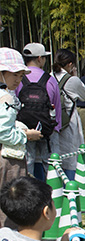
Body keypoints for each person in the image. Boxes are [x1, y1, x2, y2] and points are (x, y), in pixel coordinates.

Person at [0, 48, 42, 229]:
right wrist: (26, 135)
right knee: (10, 204)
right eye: (15, 75)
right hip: (7, 159)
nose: (18, 80)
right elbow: (3, 132)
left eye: (20, 75)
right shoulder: (6, 98)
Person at [16, 43, 62, 181]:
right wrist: (56, 127)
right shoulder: (50, 80)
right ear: (40, 58)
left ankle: (26, 195)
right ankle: (53, 196)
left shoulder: (18, 79)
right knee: (51, 164)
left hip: (25, 128)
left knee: (27, 163)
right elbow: (57, 107)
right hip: (47, 128)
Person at [52, 49, 85, 180]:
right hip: (69, 120)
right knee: (70, 156)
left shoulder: (49, 76)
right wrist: (75, 76)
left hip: (52, 121)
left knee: (55, 154)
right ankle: (70, 185)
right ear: (69, 64)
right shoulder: (72, 80)